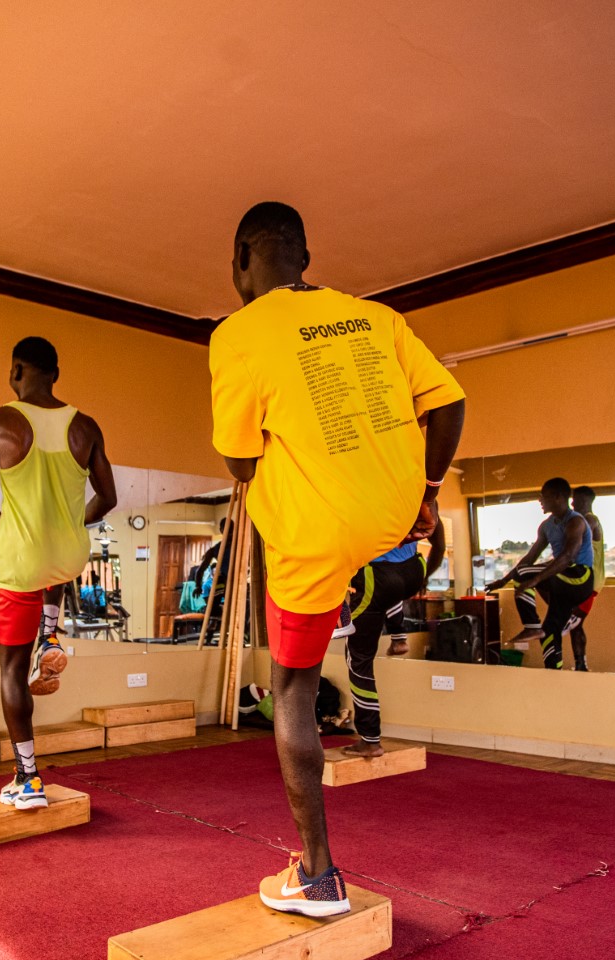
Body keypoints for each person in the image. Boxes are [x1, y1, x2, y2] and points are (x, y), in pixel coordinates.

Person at [211, 201, 465, 916]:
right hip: (393, 520)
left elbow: (239, 462)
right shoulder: (377, 317)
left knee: (292, 688)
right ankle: (364, 621)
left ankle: (317, 876)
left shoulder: (237, 332)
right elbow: (450, 404)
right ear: (305, 258)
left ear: (240, 261)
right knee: (365, 640)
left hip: (317, 534)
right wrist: (427, 494)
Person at [0, 336, 117, 811]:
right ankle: (50, 634)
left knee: (12, 672)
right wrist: (69, 526)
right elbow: (108, 498)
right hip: (69, 556)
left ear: (16, 371)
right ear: (55, 374)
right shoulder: (86, 426)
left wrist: (24, 534)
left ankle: (28, 777)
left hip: (22, 562)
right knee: (54, 561)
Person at [341, 519, 446, 758]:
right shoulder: (417, 499)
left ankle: (370, 740)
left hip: (377, 576)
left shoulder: (364, 500)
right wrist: (424, 579)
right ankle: (399, 638)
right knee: (388, 593)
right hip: (413, 571)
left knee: (358, 661)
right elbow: (439, 546)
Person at [485, 477, 595, 670]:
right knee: (549, 632)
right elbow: (530, 557)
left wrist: (535, 580)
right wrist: (503, 581)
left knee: (524, 573)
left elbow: (568, 557)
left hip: (580, 577)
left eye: (544, 496)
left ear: (558, 497)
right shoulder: (546, 526)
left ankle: (531, 625)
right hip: (561, 581)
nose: (540, 500)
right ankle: (554, 673)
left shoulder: (576, 521)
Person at [569, 485, 606, 672]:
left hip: (589, 581)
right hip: (584, 580)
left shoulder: (590, 520)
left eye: (574, 500)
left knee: (573, 622)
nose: (572, 503)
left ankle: (581, 665)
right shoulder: (584, 520)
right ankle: (581, 665)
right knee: (576, 626)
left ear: (584, 501)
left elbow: (575, 545)